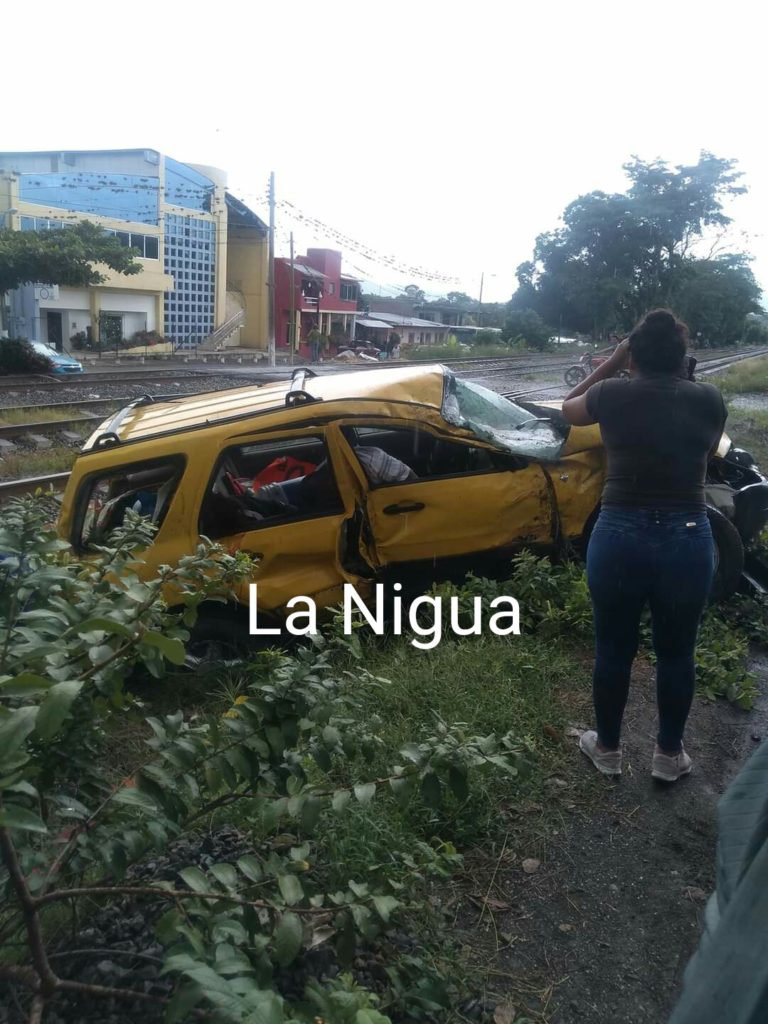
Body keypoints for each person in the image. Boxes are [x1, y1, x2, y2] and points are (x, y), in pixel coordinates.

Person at [562, 309, 727, 782]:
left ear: (632, 354)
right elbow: (709, 448)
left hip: (619, 534)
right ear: (681, 357)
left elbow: (567, 408)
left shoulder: (610, 394)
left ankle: (609, 750)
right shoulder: (710, 400)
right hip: (688, 537)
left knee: (613, 649)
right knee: (678, 653)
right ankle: (668, 756)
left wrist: (613, 363)